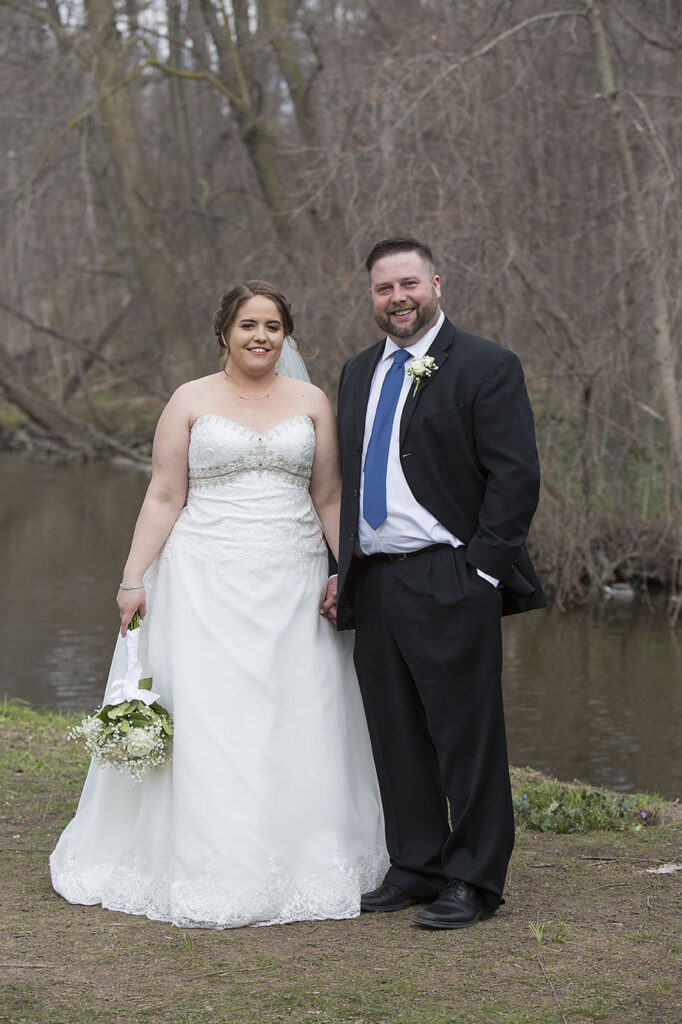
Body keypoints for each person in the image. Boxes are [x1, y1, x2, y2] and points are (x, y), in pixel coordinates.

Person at [50, 281, 387, 929]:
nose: (260, 336)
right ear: (224, 333)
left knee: (298, 709)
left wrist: (347, 569)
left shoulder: (312, 401)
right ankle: (209, 859)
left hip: (294, 580)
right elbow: (164, 494)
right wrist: (132, 577)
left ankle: (306, 853)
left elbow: (328, 496)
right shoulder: (190, 400)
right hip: (204, 577)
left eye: (272, 326)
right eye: (247, 325)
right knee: (214, 716)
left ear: (286, 335)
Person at [324, 237, 545, 929]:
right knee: (395, 732)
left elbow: (516, 477)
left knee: (465, 734)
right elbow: (350, 482)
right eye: (385, 288)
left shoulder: (486, 365)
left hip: (450, 572)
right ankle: (415, 865)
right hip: (378, 581)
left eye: (409, 284)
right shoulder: (358, 372)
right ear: (372, 296)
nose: (398, 298)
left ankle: (474, 878)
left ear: (437, 284)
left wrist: (480, 568)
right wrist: (342, 569)